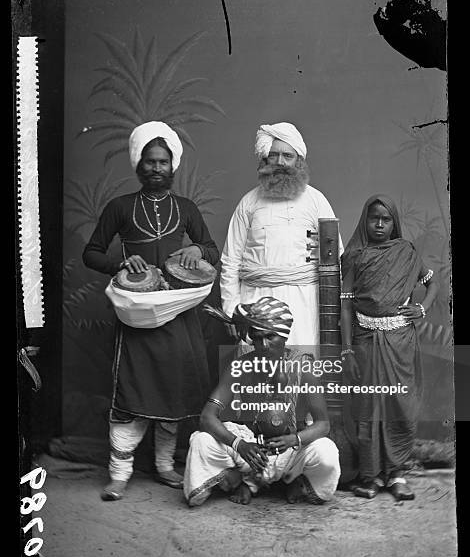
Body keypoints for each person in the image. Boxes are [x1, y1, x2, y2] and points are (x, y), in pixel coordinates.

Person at [83, 121, 219, 499]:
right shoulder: (120, 207)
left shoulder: (186, 208)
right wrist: (121, 265)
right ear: (138, 165)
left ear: (172, 165)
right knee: (131, 393)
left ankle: (164, 466)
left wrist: (198, 250)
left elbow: (212, 249)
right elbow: (91, 253)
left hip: (179, 314)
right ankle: (119, 474)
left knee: (173, 393)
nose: (157, 168)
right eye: (150, 161)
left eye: (163, 162)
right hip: (138, 316)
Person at [183, 296, 341, 507]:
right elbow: (206, 417)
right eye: (257, 338)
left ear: (284, 336)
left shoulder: (304, 367)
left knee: (326, 451)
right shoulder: (240, 366)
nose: (263, 344)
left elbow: (323, 425)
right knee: (202, 441)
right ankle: (244, 480)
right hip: (250, 450)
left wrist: (294, 439)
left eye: (270, 336)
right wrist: (239, 444)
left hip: (291, 451)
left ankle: (292, 480)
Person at [340, 194, 439, 501]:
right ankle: (369, 476)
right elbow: (345, 307)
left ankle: (396, 474)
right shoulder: (355, 256)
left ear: (394, 222)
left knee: (400, 406)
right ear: (365, 221)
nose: (380, 225)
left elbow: (431, 284)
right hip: (365, 342)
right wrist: (346, 350)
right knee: (368, 409)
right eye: (374, 219)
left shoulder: (406, 252)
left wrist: (421, 309)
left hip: (401, 344)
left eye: (386, 219)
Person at [220, 122, 342, 348]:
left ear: (299, 161)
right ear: (264, 160)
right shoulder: (248, 203)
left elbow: (335, 258)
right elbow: (230, 260)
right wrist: (231, 310)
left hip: (305, 306)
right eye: (273, 155)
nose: (280, 162)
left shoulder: (317, 201)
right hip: (255, 304)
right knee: (259, 376)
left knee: (303, 374)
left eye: (287, 155)